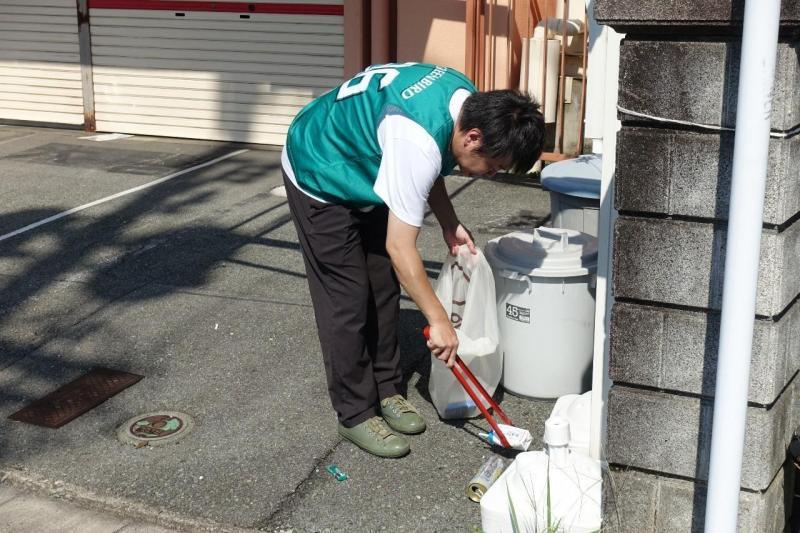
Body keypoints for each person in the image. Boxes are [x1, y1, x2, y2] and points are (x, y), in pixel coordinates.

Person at [282, 62, 545, 458]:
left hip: (368, 162)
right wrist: (439, 322)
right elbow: (401, 248)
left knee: (384, 287)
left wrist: (449, 222)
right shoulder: (414, 141)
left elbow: (433, 163)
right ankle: (354, 411)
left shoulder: (465, 100)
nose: (492, 174)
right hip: (321, 167)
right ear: (474, 137)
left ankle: (387, 389)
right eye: (494, 165)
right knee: (348, 299)